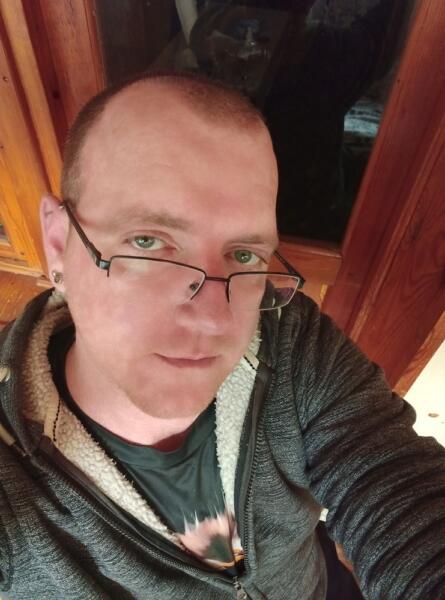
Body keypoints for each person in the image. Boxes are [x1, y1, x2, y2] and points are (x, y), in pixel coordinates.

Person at [0, 72, 444, 600]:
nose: (213, 318)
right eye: (149, 242)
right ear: (58, 242)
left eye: (243, 254)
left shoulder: (290, 340)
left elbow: (398, 486)